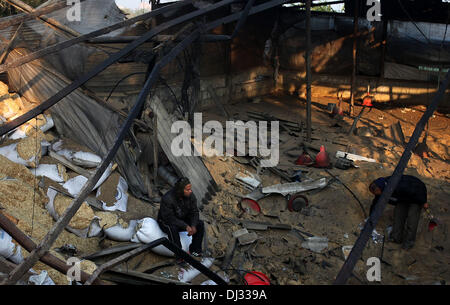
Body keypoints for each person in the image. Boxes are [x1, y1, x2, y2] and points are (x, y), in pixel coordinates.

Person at [369, 175, 428, 250]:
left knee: (412, 219)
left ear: (381, 189)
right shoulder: (380, 188)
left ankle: (409, 242)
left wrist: (424, 201)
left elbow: (416, 191)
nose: (377, 195)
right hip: (402, 197)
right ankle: (396, 238)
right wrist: (371, 216)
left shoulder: (398, 186)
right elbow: (376, 202)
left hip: (416, 193)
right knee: (398, 215)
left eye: (378, 193)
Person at [157, 177, 204, 259]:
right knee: (172, 228)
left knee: (199, 224)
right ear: (180, 190)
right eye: (187, 190)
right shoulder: (167, 198)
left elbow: (194, 212)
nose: (190, 191)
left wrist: (193, 225)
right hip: (166, 221)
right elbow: (169, 218)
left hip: (181, 219)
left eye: (190, 189)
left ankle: (195, 251)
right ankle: (179, 255)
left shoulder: (190, 196)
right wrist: (185, 226)